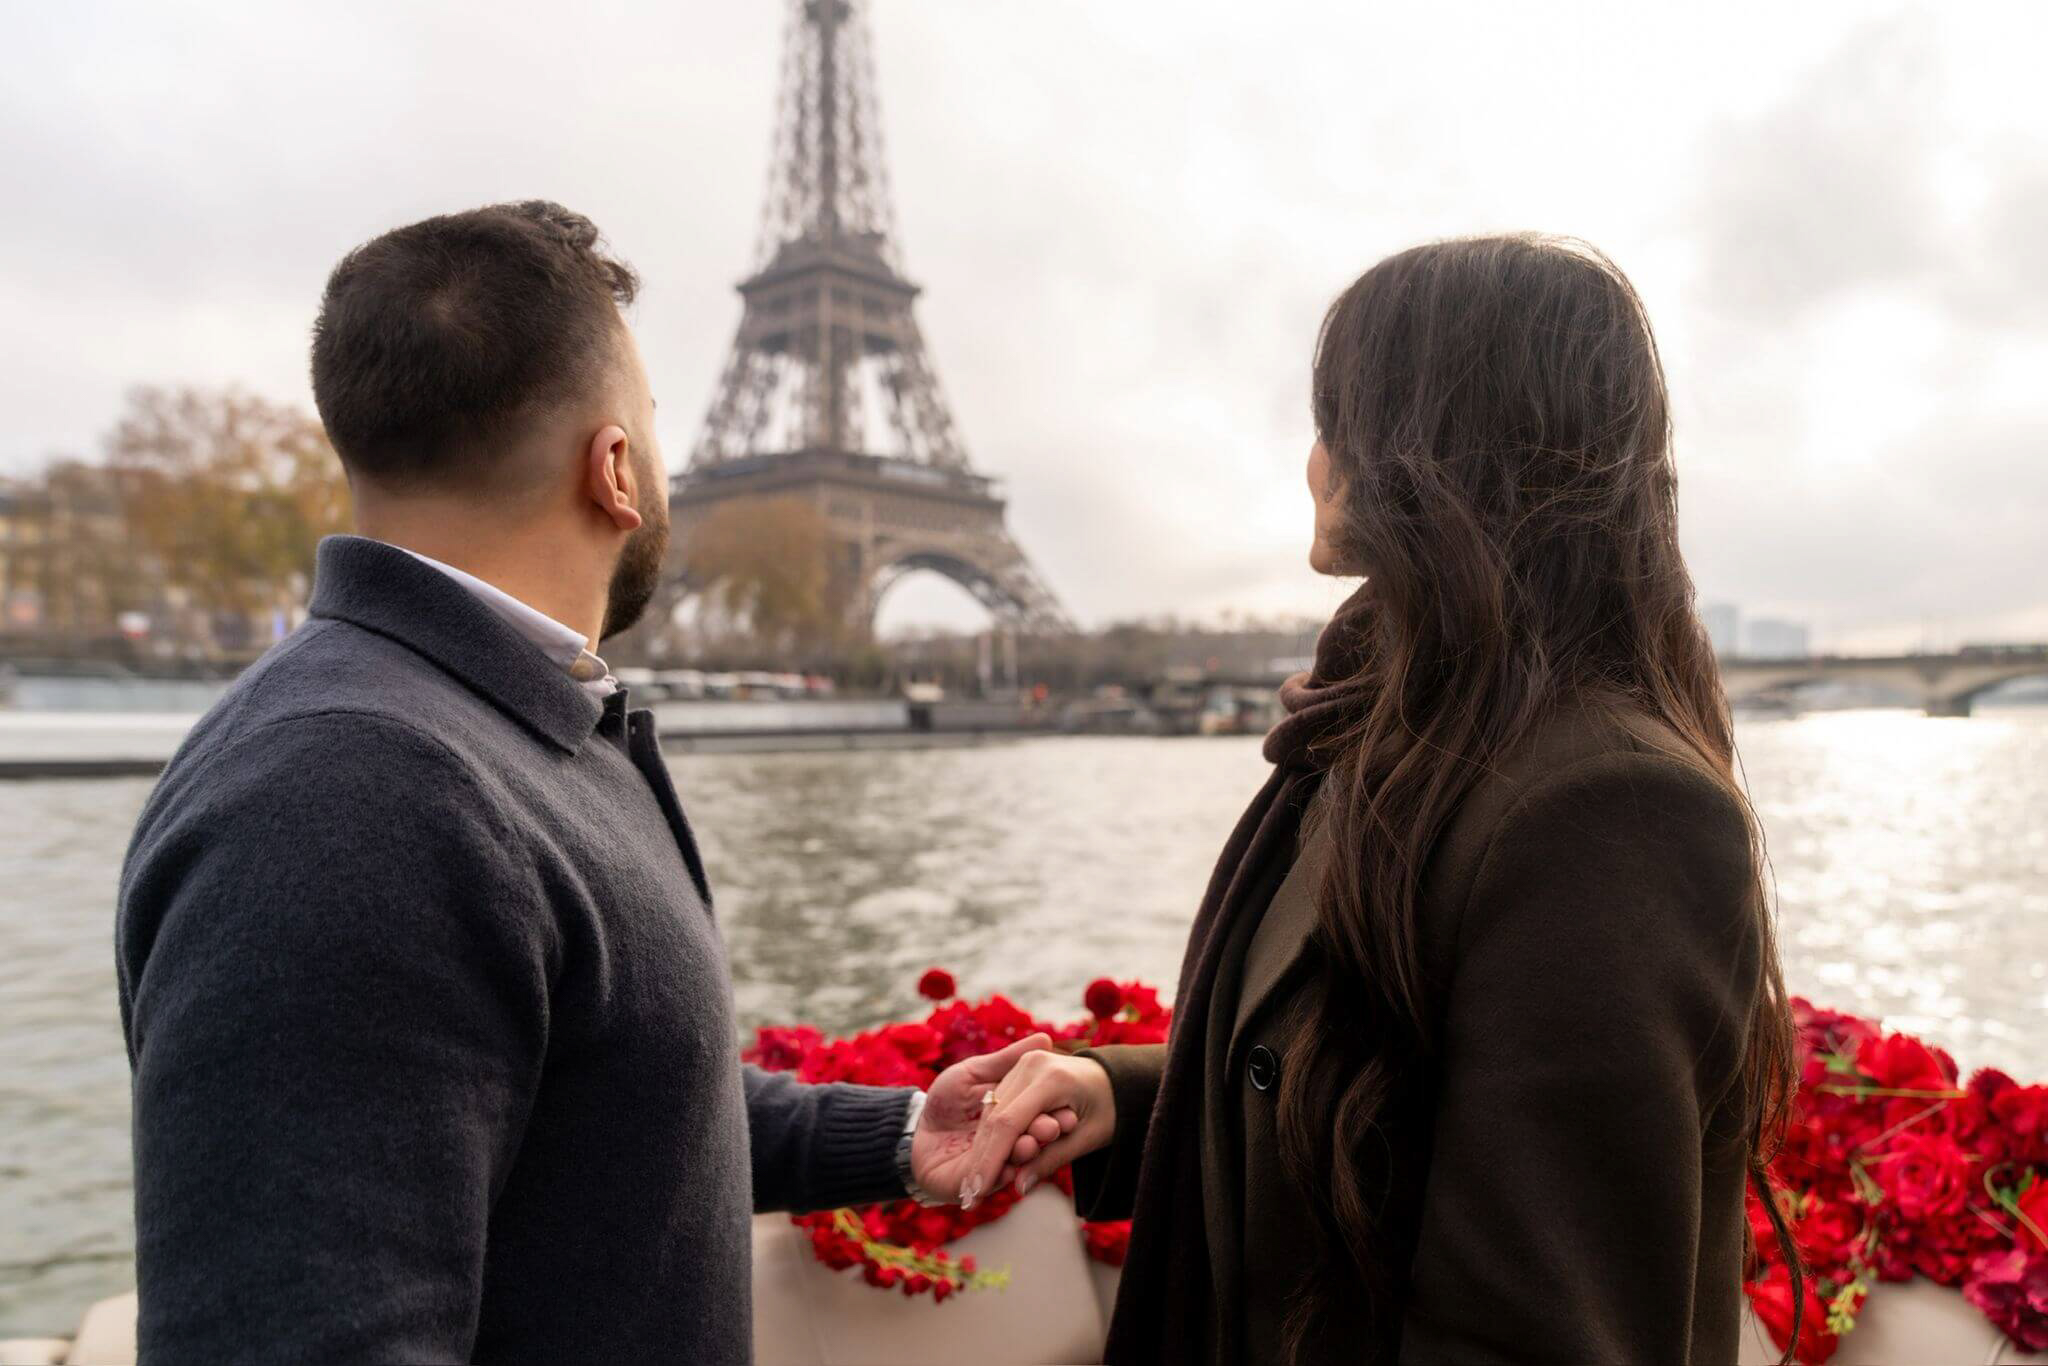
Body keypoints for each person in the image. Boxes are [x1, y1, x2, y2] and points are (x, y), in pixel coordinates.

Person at [115, 201, 1066, 1364]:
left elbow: (598, 1098)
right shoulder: (346, 796)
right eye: (657, 431)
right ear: (616, 466)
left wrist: (902, 1127)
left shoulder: (482, 731)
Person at [960, 235, 1804, 1365]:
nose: (1313, 460)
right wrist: (1119, 1091)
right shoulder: (1394, 737)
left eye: (1339, 418)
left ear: (1429, 447)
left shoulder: (1605, 808)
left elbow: (1537, 1326)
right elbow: (1391, 1076)